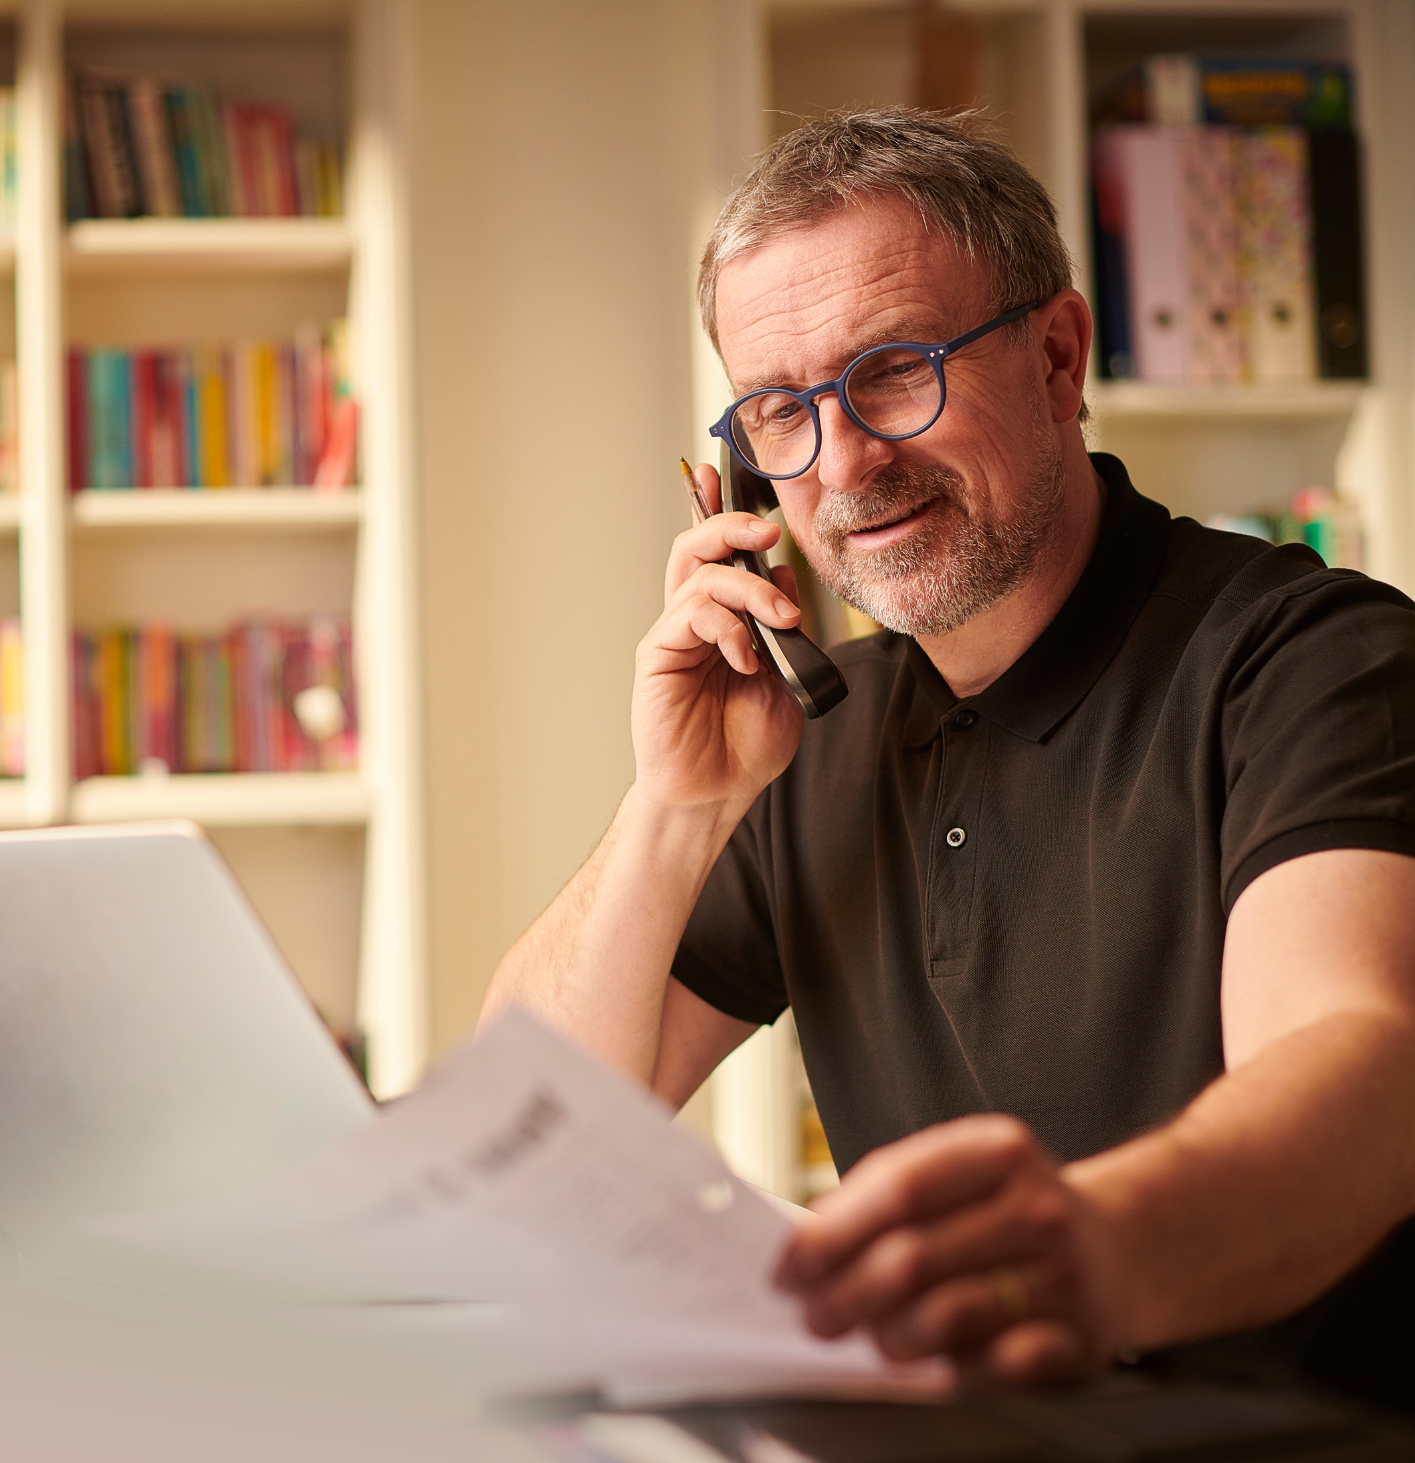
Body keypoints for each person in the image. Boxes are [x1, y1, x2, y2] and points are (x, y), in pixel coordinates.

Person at [481, 108, 1415, 1410]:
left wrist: (1088, 1253)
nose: (845, 461)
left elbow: (1360, 1071)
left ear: (1055, 356)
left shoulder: (1310, 660)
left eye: (893, 370)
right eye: (778, 412)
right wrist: (673, 806)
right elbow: (521, 1140)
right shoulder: (802, 737)